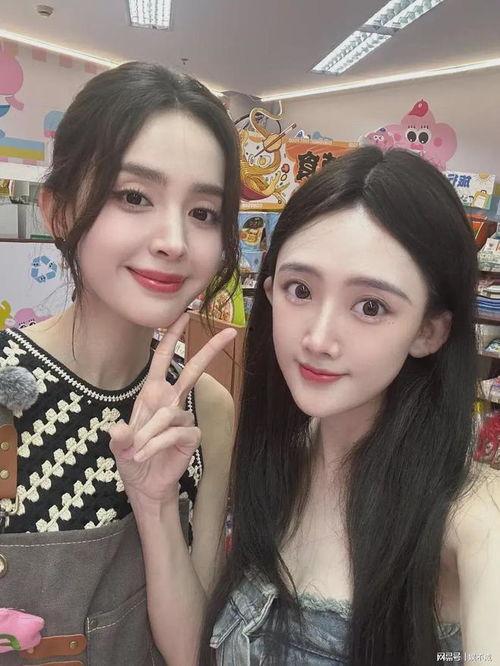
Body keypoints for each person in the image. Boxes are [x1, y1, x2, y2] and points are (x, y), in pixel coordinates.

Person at [198, 146, 500, 665]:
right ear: (269, 292)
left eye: (370, 306)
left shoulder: (470, 515)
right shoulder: (275, 461)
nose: (318, 338)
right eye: (300, 289)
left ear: (428, 331)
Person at [0, 61, 240, 666]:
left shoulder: (206, 408)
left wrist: (155, 506)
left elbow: (191, 651)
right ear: (58, 212)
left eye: (204, 212)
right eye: (134, 196)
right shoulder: (7, 381)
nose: (174, 241)